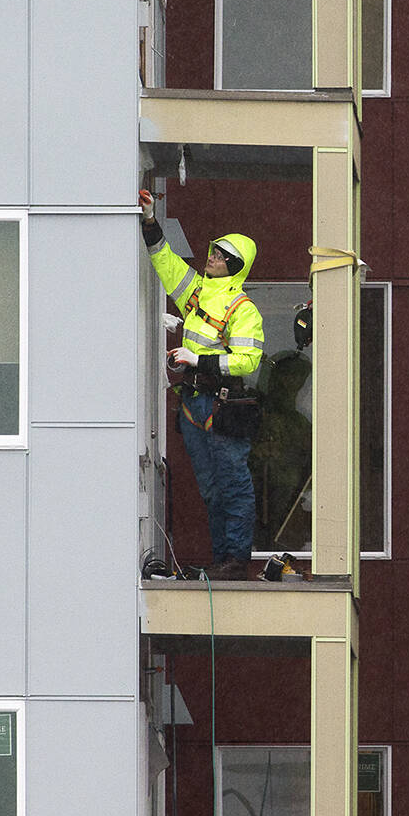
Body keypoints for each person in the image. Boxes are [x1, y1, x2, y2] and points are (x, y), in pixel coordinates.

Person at [140, 190, 264, 580]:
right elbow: (165, 261)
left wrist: (198, 359)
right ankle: (221, 562)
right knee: (212, 490)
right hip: (195, 405)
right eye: (213, 253)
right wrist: (148, 220)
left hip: (221, 407)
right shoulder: (195, 292)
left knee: (233, 487)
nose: (211, 257)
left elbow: (248, 360)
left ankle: (235, 561)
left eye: (219, 256)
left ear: (234, 266)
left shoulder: (242, 309)